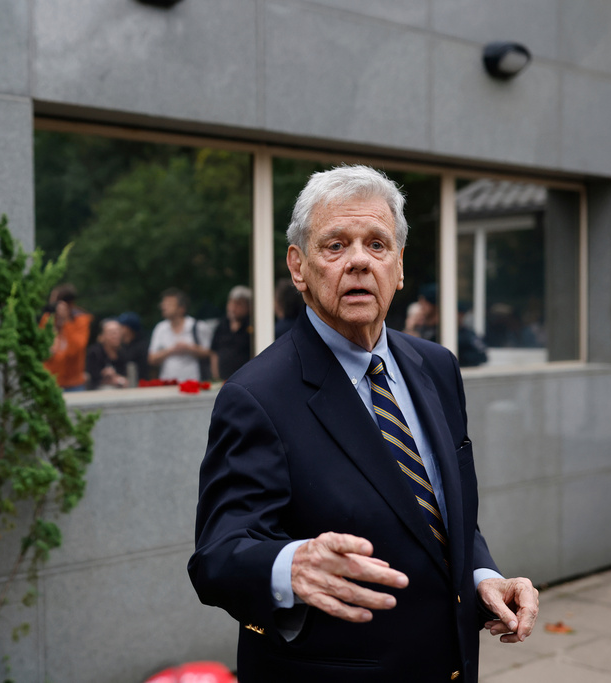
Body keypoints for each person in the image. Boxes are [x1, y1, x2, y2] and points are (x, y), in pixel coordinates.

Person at [189, 165, 538, 681]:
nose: (357, 261)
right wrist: (291, 566)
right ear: (299, 266)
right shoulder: (255, 395)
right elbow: (218, 556)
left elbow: (445, 514)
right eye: (335, 246)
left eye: (376, 244)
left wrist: (483, 574)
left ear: (398, 266)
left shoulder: (437, 366)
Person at [148, 288, 211, 381]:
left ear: (181, 308)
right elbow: (151, 359)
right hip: (167, 384)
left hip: (194, 384)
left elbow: (209, 353)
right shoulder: (160, 328)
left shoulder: (197, 326)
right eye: (163, 304)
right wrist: (171, 350)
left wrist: (189, 348)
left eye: (169, 304)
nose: (164, 307)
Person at [41, 283, 92, 392]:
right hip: (49, 381)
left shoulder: (80, 320)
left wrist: (66, 323)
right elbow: (42, 347)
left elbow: (76, 349)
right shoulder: (47, 319)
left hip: (73, 383)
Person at [210, 286, 253, 380]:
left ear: (249, 307)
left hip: (246, 380)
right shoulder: (222, 325)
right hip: (223, 381)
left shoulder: (252, 327)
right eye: (231, 302)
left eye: (238, 304)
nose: (233, 308)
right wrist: (216, 378)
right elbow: (214, 353)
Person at [86, 318, 130, 389]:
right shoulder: (94, 352)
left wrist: (115, 377)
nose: (115, 335)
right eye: (111, 332)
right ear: (102, 336)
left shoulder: (123, 352)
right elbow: (92, 377)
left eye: (117, 332)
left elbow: (126, 375)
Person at [117, 311, 150, 383]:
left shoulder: (142, 347)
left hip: (139, 386)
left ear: (128, 329)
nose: (118, 329)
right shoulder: (122, 345)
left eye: (121, 326)